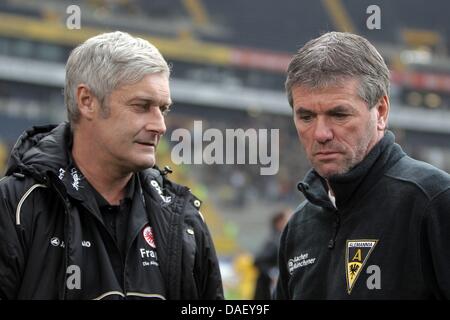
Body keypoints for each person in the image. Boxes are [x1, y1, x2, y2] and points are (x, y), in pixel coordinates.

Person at [0, 31, 223, 300]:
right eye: (142, 106)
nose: (160, 126)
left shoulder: (184, 219)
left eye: (163, 109)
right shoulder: (15, 206)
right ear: (87, 101)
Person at [275, 32, 450, 299]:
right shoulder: (299, 226)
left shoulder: (433, 201)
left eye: (339, 114)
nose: (321, 133)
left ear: (380, 112)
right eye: (307, 116)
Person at [253, 209, 289, 300]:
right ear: (279, 222)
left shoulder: (279, 238)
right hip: (267, 289)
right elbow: (258, 260)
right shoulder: (274, 240)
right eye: (287, 219)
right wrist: (273, 273)